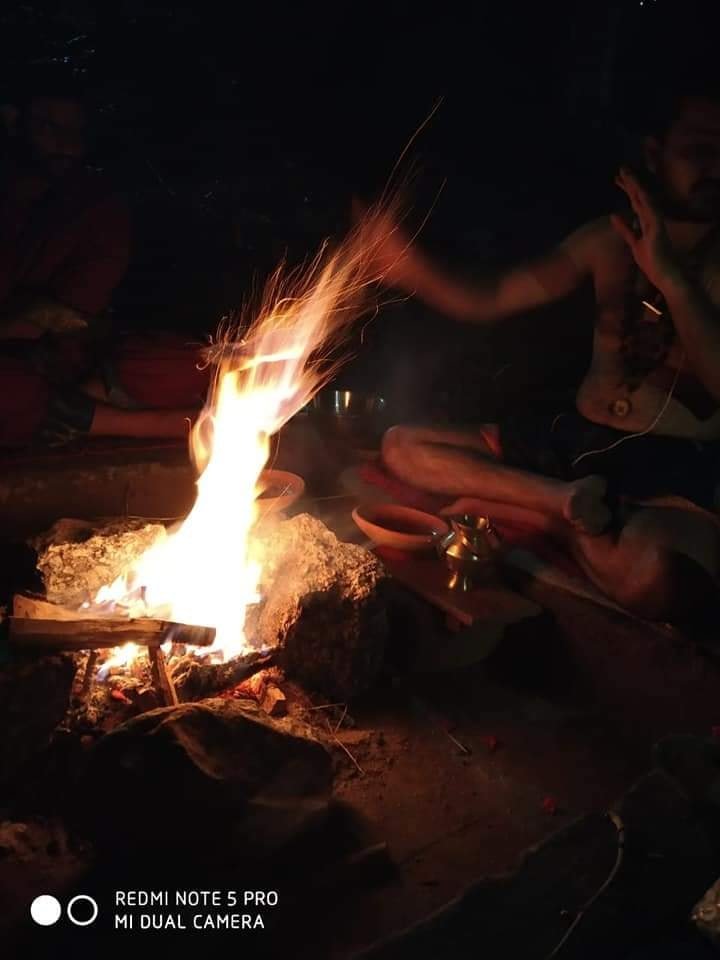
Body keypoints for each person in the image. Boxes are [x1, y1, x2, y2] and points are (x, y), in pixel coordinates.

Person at [371, 79, 720, 621]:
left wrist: (673, 280)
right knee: (402, 446)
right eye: (699, 151)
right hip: (572, 442)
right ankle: (559, 504)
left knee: (657, 578)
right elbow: (492, 297)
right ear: (654, 154)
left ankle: (549, 512)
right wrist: (408, 268)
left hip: (670, 465)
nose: (715, 169)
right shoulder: (608, 239)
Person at [0, 69, 208, 446]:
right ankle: (136, 423)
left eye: (75, 133)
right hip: (15, 376)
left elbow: (69, 314)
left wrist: (37, 321)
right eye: (49, 127)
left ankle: (67, 407)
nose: (65, 144)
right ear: (14, 123)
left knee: (187, 364)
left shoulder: (96, 207)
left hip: (66, 365)